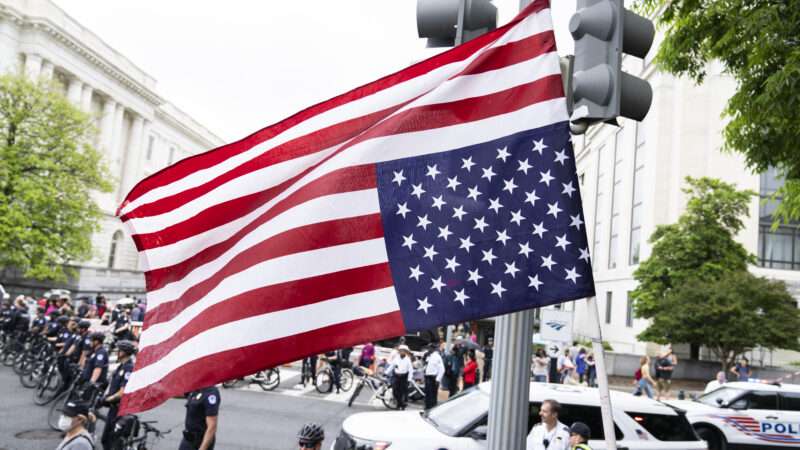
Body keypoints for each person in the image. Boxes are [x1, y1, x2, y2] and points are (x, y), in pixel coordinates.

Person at [100, 340, 136, 450]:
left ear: (124, 352)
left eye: (119, 350)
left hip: (119, 410)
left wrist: (108, 399)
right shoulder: (121, 366)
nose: (117, 352)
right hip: (113, 408)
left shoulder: (128, 368)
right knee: (106, 439)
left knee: (112, 441)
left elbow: (122, 391)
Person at [180, 385, 220, 450]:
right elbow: (182, 394)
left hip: (200, 442)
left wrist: (202, 448)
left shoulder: (211, 394)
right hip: (188, 440)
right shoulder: (196, 388)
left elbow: (212, 427)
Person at [390, 344, 413, 410]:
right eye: (401, 351)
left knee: (402, 392)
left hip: (404, 377)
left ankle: (401, 405)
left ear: (406, 352)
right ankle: (400, 403)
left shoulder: (408, 360)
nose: (402, 352)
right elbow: (392, 366)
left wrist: (409, 379)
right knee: (395, 391)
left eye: (403, 351)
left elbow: (410, 370)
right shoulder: (396, 358)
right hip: (396, 376)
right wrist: (386, 373)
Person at [423, 342, 445, 409]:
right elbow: (426, 366)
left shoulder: (437, 357)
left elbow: (442, 369)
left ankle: (431, 409)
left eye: (429, 348)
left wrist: (437, 379)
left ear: (433, 349)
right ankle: (427, 408)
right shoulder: (430, 356)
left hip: (433, 378)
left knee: (432, 395)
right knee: (427, 394)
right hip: (427, 377)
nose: (428, 349)